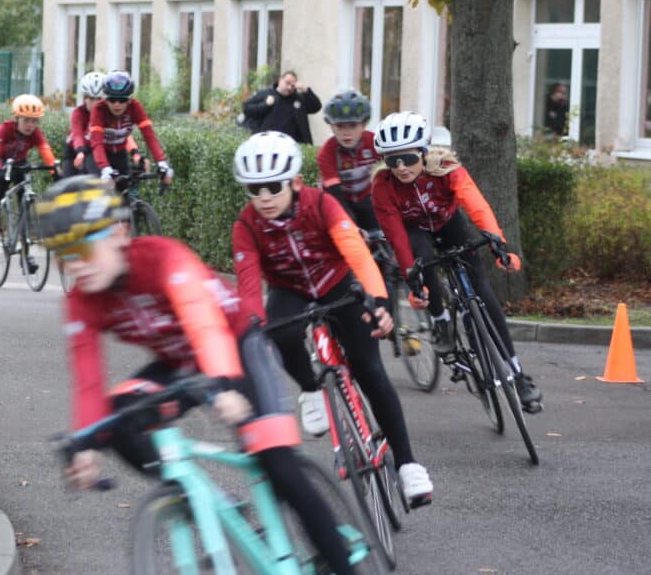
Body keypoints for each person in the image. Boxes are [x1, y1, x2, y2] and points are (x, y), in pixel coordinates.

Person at [38, 175, 360, 575]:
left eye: (82, 248)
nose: (74, 266)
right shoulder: (82, 302)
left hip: (235, 344)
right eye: (61, 255)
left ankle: (344, 565)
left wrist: (223, 384)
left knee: (278, 465)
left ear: (120, 232)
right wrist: (85, 441)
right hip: (180, 363)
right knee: (116, 418)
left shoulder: (162, 258)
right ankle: (204, 502)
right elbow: (87, 380)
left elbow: (204, 322)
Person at [231, 131, 434, 507]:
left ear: (294, 182)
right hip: (288, 289)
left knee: (370, 370)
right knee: (281, 334)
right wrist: (251, 327)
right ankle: (311, 390)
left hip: (337, 284)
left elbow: (357, 254)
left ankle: (408, 466)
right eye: (253, 190)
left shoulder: (322, 204)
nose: (263, 198)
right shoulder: (246, 226)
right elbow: (247, 287)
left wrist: (378, 301)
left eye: (273, 187)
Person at [370, 111, 543, 413]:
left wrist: (496, 242)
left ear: (423, 152)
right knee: (422, 263)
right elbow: (396, 235)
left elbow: (475, 204)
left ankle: (517, 374)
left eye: (408, 158)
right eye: (392, 160)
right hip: (415, 232)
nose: (400, 167)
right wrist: (413, 277)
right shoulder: (383, 187)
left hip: (449, 223)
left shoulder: (446, 168)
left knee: (483, 293)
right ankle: (440, 323)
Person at [0, 94, 58, 242]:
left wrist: (54, 170)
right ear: (17, 118)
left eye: (34, 121)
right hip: (4, 161)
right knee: (4, 181)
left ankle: (24, 234)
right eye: (26, 120)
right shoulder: (6, 128)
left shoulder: (36, 133)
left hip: (20, 162)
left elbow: (46, 151)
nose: (30, 125)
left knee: (24, 194)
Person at [88, 70, 172, 186]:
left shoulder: (135, 107)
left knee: (124, 193)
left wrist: (162, 163)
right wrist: (105, 168)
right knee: (100, 190)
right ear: (106, 99)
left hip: (120, 154)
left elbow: (149, 136)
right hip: (98, 155)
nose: (117, 104)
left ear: (129, 99)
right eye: (112, 99)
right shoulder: (98, 109)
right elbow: (97, 142)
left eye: (122, 100)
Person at [316, 89, 380, 231]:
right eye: (339, 126)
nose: (346, 132)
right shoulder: (326, 152)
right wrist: (350, 223)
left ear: (363, 124)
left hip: (366, 199)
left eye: (353, 125)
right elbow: (335, 193)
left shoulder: (374, 142)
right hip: (339, 200)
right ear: (332, 127)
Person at [242, 70, 322, 145]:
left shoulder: (298, 99)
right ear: (280, 80)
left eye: (293, 86)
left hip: (292, 146)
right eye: (287, 83)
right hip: (266, 144)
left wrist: (305, 90)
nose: (289, 88)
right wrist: (265, 105)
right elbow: (247, 109)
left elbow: (316, 107)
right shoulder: (265, 94)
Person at [64, 71, 104, 177]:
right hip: (74, 150)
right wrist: (80, 151)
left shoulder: (106, 113)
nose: (95, 103)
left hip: (95, 151)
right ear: (85, 99)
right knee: (68, 185)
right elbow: (77, 134)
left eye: (99, 99)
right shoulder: (78, 112)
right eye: (91, 98)